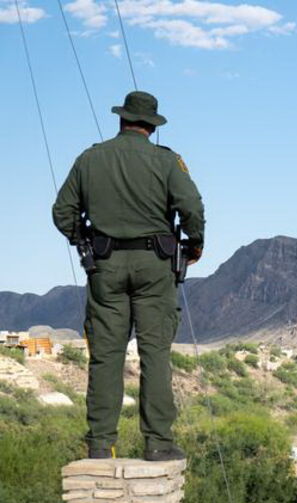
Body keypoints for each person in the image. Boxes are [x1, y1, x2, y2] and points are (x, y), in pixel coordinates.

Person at [52, 91, 204, 461]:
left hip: (104, 264)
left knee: (105, 355)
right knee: (154, 353)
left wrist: (83, 240)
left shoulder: (89, 158)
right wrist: (194, 244)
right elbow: (192, 208)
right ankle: (158, 443)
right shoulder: (167, 162)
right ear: (152, 126)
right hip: (155, 266)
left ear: (121, 119)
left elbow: (62, 212)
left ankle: (101, 444)